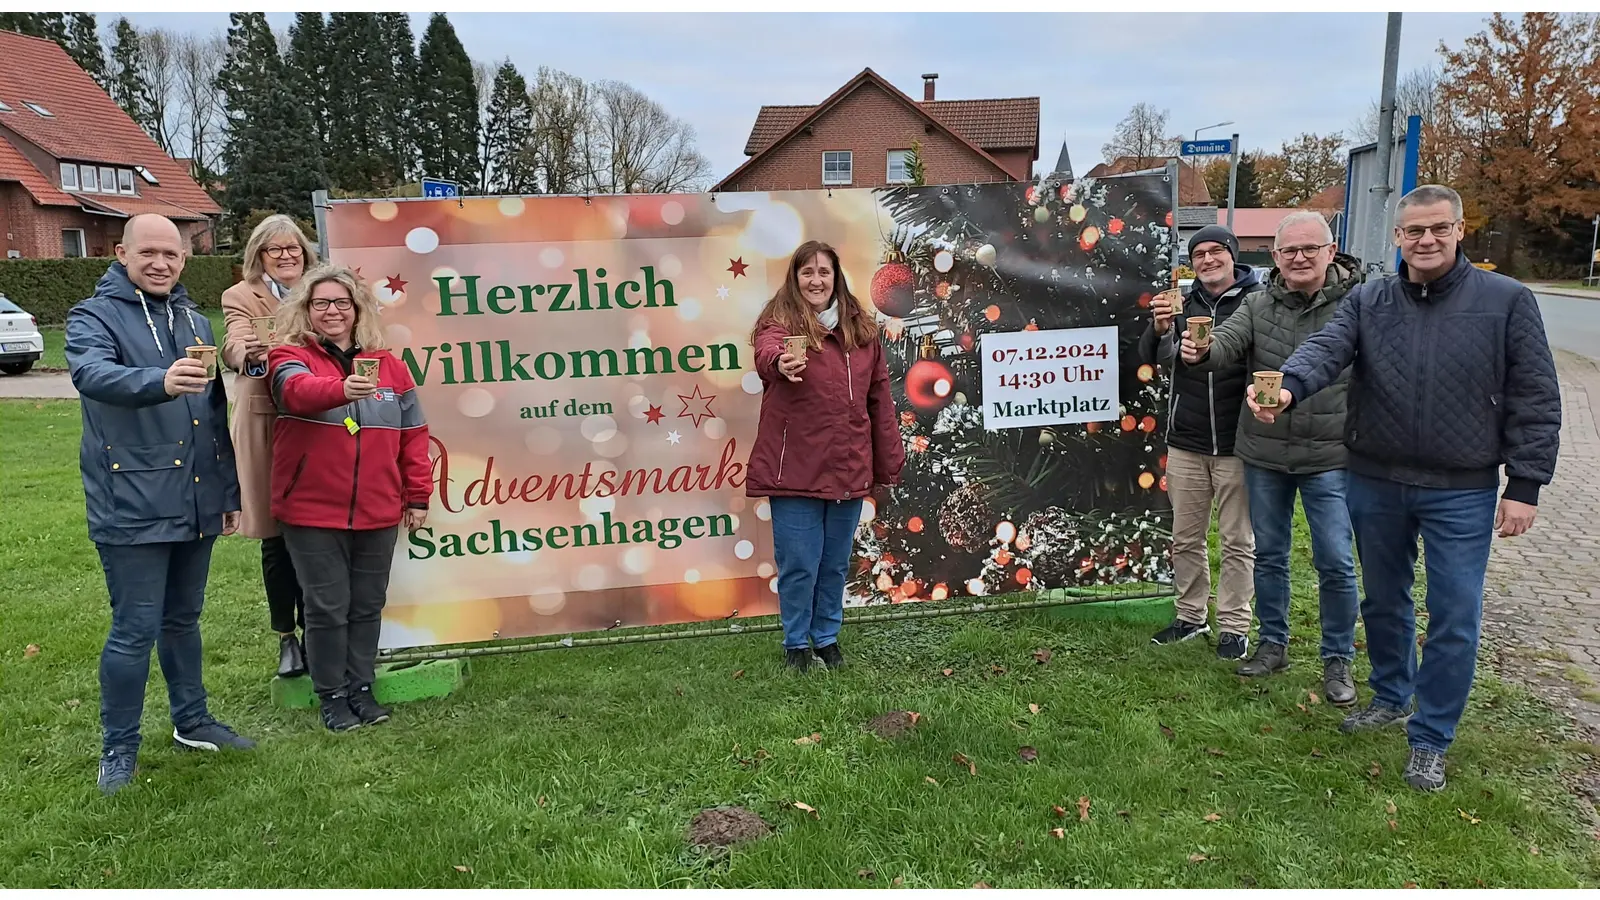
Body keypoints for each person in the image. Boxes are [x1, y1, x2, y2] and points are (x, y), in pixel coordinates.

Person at [1259, 184, 1561, 791]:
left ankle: (1431, 737)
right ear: (1397, 237)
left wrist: (1524, 484)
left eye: (1437, 229)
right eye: (1413, 231)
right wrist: (1289, 384)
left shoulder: (1506, 301)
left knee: (1454, 614)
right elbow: (1327, 348)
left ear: (1458, 230)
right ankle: (1392, 694)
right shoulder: (1371, 300)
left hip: (1461, 488)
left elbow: (1536, 396)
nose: (1425, 241)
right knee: (1384, 600)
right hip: (1376, 479)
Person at [65, 214, 254, 796]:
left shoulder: (192, 317)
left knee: (183, 620)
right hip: (132, 500)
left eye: (170, 254)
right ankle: (118, 748)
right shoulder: (92, 317)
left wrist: (226, 492)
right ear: (121, 253)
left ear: (183, 259)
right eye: (147, 252)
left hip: (195, 499)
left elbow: (212, 415)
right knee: (134, 629)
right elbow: (91, 373)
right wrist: (158, 381)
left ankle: (192, 721)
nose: (160, 263)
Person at [1182, 211, 1363, 707]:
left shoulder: (1360, 302)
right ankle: (1273, 643)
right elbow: (1228, 343)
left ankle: (1337, 659)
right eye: (1289, 251)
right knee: (1272, 555)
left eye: (1310, 248)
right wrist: (1202, 351)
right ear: (1275, 258)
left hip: (1330, 453)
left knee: (1335, 561)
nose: (1299, 258)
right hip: (1264, 452)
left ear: (1331, 251)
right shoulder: (1260, 303)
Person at [267, 265, 432, 731]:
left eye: (342, 303)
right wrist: (341, 389)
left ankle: (361, 685)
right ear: (306, 310)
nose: (332, 311)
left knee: (366, 604)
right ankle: (331, 694)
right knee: (326, 606)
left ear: (358, 310)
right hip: (311, 509)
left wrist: (417, 495)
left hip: (378, 507)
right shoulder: (287, 356)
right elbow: (295, 393)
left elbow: (413, 436)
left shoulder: (391, 367)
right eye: (321, 303)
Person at [745, 241, 904, 671]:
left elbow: (880, 400)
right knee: (799, 564)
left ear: (836, 278)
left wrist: (888, 460)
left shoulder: (862, 332)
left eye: (824, 272)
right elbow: (767, 351)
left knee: (834, 565)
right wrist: (780, 364)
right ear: (795, 279)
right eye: (807, 273)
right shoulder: (778, 324)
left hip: (848, 468)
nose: (816, 281)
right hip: (794, 470)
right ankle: (796, 645)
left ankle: (827, 639)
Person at [1139, 225, 1259, 659]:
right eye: (1199, 254)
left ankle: (1234, 625)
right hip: (1187, 441)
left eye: (1216, 252)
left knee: (1236, 540)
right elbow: (1155, 359)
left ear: (1233, 256)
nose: (1208, 260)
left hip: (1237, 442)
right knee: (1186, 537)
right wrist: (1159, 329)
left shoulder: (1255, 303)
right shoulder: (1182, 303)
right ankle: (1190, 616)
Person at [220, 215, 320, 680]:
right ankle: (288, 638)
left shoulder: (323, 288)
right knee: (277, 534)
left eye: (293, 248)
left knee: (321, 529)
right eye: (274, 250)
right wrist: (253, 351)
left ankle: (324, 632)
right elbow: (235, 343)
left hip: (320, 418)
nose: (285, 256)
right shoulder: (241, 296)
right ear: (258, 256)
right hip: (267, 421)